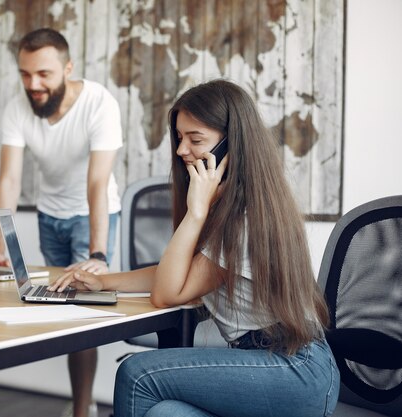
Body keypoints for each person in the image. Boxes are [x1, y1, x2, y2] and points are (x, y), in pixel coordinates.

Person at [50, 79, 340, 417]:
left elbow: (167, 293)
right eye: (179, 137)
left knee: (138, 374)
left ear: (231, 145)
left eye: (195, 139)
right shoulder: (232, 206)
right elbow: (182, 276)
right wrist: (105, 281)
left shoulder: (245, 217)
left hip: (293, 370)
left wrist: (196, 212)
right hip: (269, 363)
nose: (181, 150)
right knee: (163, 412)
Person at [0, 28, 122, 417]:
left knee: (80, 312)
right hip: (50, 216)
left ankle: (83, 408)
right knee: (58, 309)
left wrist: (97, 251)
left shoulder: (100, 103)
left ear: (68, 68)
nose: (34, 84)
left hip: (91, 215)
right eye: (25, 74)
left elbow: (97, 182)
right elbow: (10, 180)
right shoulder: (17, 108)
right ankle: (82, 400)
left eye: (44, 74)